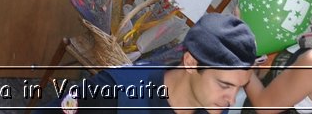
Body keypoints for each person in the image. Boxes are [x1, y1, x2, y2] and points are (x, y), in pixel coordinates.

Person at [48, 13, 258, 112]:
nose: (231, 100)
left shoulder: (213, 106)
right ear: (191, 63)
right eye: (225, 85)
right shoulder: (113, 93)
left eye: (239, 88)